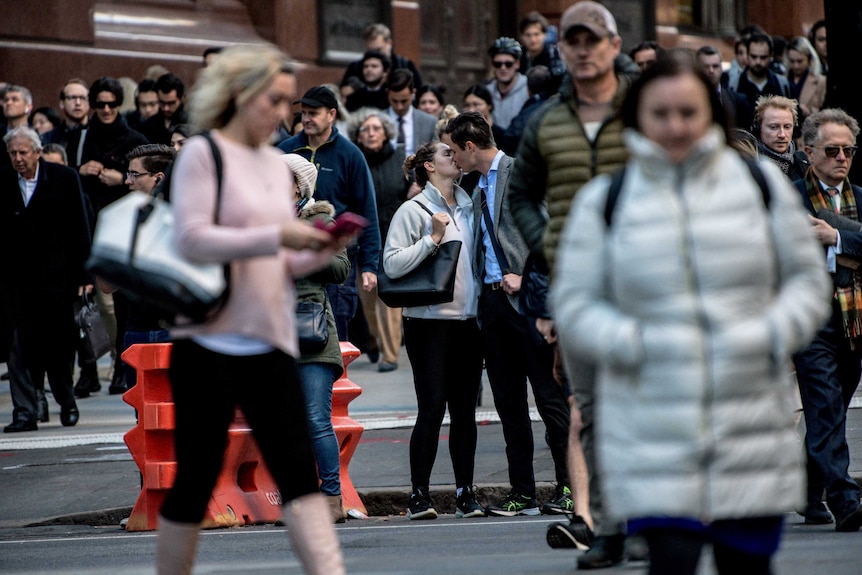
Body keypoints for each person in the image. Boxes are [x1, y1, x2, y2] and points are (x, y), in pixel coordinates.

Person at [551, 56, 831, 575]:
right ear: (637, 119)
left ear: (713, 115)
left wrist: (767, 332)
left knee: (747, 564)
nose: (676, 125)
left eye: (689, 111)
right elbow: (575, 301)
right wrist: (633, 341)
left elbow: (809, 282)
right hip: (652, 422)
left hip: (748, 419)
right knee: (670, 562)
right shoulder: (606, 200)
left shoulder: (760, 187)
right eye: (661, 113)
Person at [155, 44, 350, 575]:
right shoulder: (204, 154)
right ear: (240, 94)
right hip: (208, 341)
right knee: (196, 477)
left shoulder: (274, 163)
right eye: (275, 99)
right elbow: (193, 240)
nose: (285, 114)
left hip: (270, 338)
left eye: (289, 102)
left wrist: (310, 251)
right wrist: (277, 235)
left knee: (297, 475)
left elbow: (271, 260)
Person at [507, 1, 631, 567]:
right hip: (577, 286)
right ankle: (607, 526)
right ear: (561, 50)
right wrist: (551, 245)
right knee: (592, 409)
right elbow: (520, 196)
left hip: (642, 281)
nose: (583, 49)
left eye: (592, 39)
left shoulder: (644, 107)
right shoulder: (546, 122)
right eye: (572, 41)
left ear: (613, 44)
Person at [441, 112, 572, 518]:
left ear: (469, 146)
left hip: (527, 304)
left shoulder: (520, 172)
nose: (451, 158)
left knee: (550, 400)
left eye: (453, 149)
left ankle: (569, 487)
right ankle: (523, 491)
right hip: (493, 307)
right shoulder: (475, 187)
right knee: (508, 404)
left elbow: (552, 231)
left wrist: (526, 275)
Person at [383, 141, 483, 520]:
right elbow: (392, 265)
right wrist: (432, 238)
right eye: (446, 155)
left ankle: (465, 492)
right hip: (427, 324)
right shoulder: (413, 210)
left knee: (464, 412)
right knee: (431, 409)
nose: (454, 159)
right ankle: (418, 495)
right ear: (428, 166)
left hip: (468, 323)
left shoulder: (470, 207)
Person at [792, 107, 862, 532]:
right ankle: (845, 498)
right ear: (809, 150)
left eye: (849, 150)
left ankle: (807, 489)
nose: (842, 158)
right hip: (807, 317)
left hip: (853, 319)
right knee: (825, 406)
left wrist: (833, 235)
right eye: (832, 150)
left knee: (830, 411)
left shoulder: (861, 196)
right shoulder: (790, 196)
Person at [1, 127, 91, 432]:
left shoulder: (64, 179)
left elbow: (80, 228)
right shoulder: (4, 181)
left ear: (37, 152)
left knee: (59, 347)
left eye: (23, 152)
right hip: (15, 283)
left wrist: (85, 275)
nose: (18, 158)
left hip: (57, 282)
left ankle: (66, 399)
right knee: (18, 348)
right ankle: (24, 411)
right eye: (13, 153)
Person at [277, 85, 381, 344]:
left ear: (332, 114)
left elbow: (366, 209)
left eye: (314, 112)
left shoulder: (350, 154)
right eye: (303, 113)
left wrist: (369, 265)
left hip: (337, 262)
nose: (307, 119)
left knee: (335, 340)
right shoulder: (285, 151)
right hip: (290, 267)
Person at [281, 152, 351, 524]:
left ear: (298, 185)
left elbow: (340, 268)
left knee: (314, 420)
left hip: (311, 336)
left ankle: (331, 499)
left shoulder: (319, 219)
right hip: (271, 335)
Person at [74, 76, 148, 398]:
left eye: (112, 104)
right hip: (89, 223)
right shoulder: (82, 138)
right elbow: (65, 179)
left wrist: (121, 178)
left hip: (120, 226)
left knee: (117, 301)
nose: (105, 109)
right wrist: (81, 170)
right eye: (100, 104)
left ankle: (121, 364)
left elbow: (142, 178)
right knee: (90, 304)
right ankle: (90, 368)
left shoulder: (133, 138)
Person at [350, 108, 412, 372]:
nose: (371, 133)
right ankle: (373, 339)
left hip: (393, 239)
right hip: (362, 243)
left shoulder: (399, 159)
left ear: (386, 132)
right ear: (358, 136)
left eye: (376, 128)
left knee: (389, 302)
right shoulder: (354, 161)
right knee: (368, 302)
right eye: (366, 129)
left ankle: (390, 355)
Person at [733, 32, 794, 130]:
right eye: (754, 57)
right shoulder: (733, 84)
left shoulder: (783, 84)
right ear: (747, 56)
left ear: (771, 56)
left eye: (763, 57)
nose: (758, 62)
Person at [341, 23, 423, 90]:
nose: (375, 55)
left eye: (378, 50)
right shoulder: (356, 67)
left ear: (389, 44)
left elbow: (419, 91)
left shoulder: (405, 65)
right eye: (371, 50)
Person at [752, 95, 808, 181]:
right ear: (759, 128)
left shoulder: (804, 162)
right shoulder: (752, 165)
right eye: (774, 127)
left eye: (787, 127)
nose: (782, 135)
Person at [385, 69, 438, 157]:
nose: (399, 107)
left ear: (413, 93)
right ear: (387, 93)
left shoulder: (429, 123)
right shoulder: (377, 122)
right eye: (394, 101)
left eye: (404, 101)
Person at [485, 37, 528, 132]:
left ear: (517, 64)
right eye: (498, 64)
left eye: (508, 64)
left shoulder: (528, 89)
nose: (503, 68)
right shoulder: (487, 91)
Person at [517, 11, 566, 95]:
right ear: (522, 36)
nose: (533, 39)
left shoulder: (553, 55)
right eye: (528, 35)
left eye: (536, 34)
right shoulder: (518, 56)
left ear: (545, 35)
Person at [138, 73, 190, 145]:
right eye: (162, 103)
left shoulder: (190, 123)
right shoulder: (149, 125)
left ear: (181, 99)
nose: (166, 108)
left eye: (171, 103)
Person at [786, 36, 826, 128]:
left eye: (800, 61)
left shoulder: (820, 81)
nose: (796, 66)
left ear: (809, 59)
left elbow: (826, 112)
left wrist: (809, 111)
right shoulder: (783, 81)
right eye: (792, 61)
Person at [462, 84, 505, 148]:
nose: (471, 110)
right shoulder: (461, 135)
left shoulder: (502, 136)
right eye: (467, 105)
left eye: (476, 104)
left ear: (489, 105)